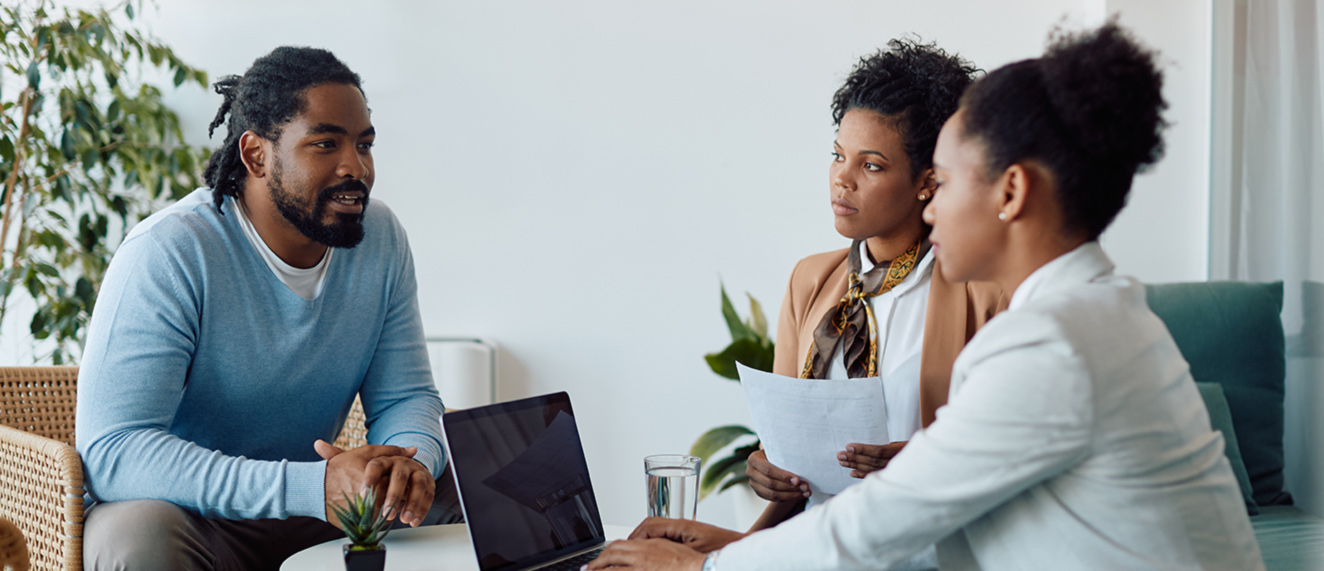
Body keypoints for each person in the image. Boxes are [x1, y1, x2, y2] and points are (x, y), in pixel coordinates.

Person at [587, 21, 1264, 571]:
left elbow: (880, 523)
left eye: (942, 180)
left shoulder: (1051, 344)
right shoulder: (1097, 313)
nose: (932, 207)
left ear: (1011, 191)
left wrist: (702, 568)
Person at [75, 46, 459, 570]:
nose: (357, 168)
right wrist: (308, 484)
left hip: (320, 514)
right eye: (325, 144)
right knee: (134, 534)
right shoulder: (169, 252)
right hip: (196, 518)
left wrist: (410, 464)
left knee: (472, 484)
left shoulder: (381, 239)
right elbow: (114, 450)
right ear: (256, 154)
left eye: (364, 145)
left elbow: (407, 396)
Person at [746, 39, 1005, 550]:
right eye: (838, 156)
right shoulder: (809, 281)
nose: (841, 179)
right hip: (813, 548)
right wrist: (767, 468)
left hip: (927, 549)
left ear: (927, 181)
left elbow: (1007, 455)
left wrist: (921, 464)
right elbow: (784, 445)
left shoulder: (987, 296)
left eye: (871, 166)